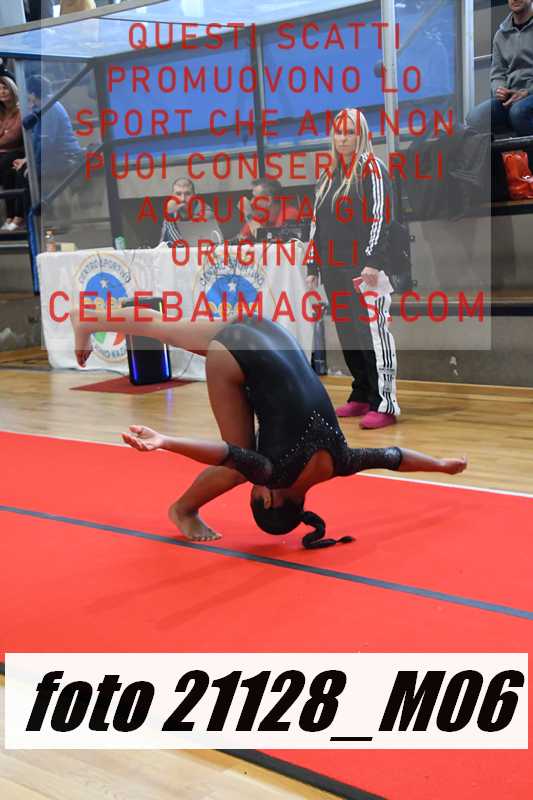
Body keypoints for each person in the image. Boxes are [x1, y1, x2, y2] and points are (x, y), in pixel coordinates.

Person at [71, 309, 467, 546]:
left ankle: (88, 319)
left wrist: (441, 466)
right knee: (235, 466)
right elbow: (227, 454)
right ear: (270, 500)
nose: (255, 487)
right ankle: (183, 509)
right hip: (235, 354)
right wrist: (165, 441)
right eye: (254, 495)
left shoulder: (342, 462)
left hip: (266, 330)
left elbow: (395, 458)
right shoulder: (273, 473)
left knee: (164, 327)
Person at [308, 107, 399, 430]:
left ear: (361, 135)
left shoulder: (372, 168)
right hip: (334, 268)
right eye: (339, 132)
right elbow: (316, 223)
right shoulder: (327, 175)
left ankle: (384, 403)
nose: (344, 138)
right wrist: (313, 264)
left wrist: (373, 261)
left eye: (350, 132)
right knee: (348, 333)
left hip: (365, 268)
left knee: (372, 334)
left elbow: (381, 217)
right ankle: (361, 392)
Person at [466, 0, 533, 136]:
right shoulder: (500, 35)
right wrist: (500, 90)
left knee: (518, 112)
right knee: (474, 118)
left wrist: (527, 92)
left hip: (530, 93)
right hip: (511, 96)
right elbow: (497, 73)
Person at [0, 76, 25, 232]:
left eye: (5, 88)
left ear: (12, 89)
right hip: (4, 153)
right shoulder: (1, 112)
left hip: (19, 151)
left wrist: (5, 133)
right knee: (6, 168)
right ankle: (10, 216)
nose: (2, 92)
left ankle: (14, 216)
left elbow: (13, 137)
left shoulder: (21, 110)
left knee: (5, 163)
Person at [159, 177, 214, 245]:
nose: (183, 199)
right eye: (178, 194)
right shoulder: (172, 209)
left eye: (187, 194)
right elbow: (162, 245)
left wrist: (170, 216)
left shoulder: (205, 212)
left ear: (194, 196)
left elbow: (183, 245)